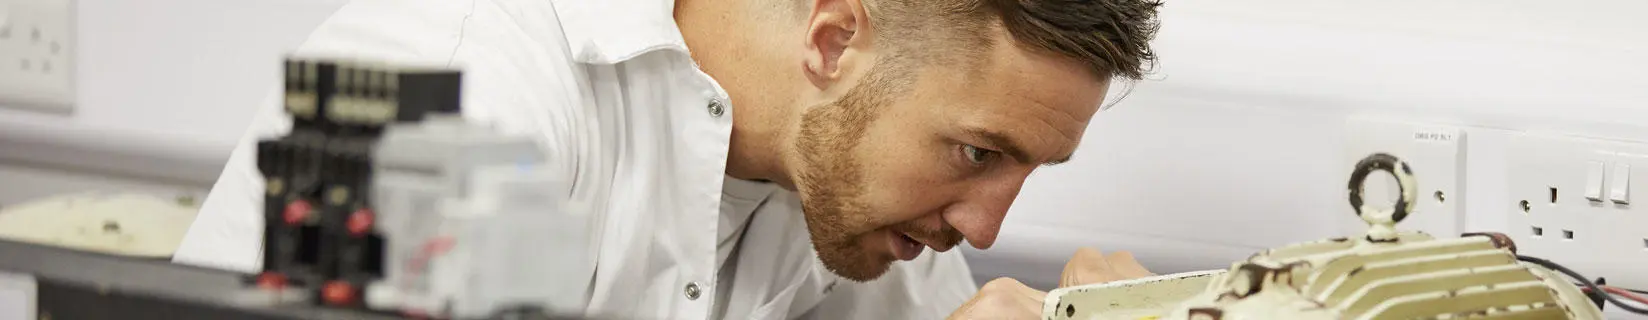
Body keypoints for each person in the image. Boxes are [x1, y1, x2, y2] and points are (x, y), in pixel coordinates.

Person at [171, 0, 1163, 318]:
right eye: (978, 151)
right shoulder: (446, 84)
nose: (986, 226)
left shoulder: (847, 193)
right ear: (834, 39)